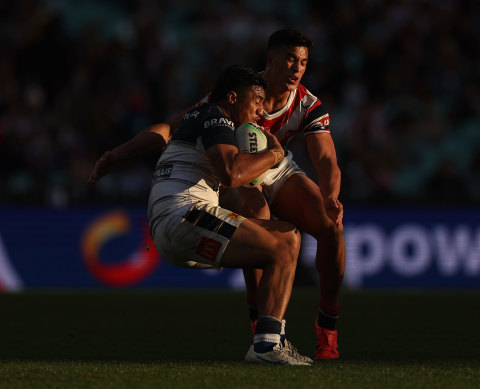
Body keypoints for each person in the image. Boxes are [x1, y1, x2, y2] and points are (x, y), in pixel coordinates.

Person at [89, 29, 345, 360]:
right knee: (263, 220)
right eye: (290, 59)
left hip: (263, 171)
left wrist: (330, 195)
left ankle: (327, 326)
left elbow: (326, 159)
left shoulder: (306, 104)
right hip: (229, 176)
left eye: (304, 63)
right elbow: (178, 134)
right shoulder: (229, 102)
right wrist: (117, 154)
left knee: (331, 227)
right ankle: (263, 331)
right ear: (270, 60)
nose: (297, 69)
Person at [139, 65, 311, 365]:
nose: (261, 110)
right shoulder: (216, 117)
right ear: (233, 97)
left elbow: (161, 138)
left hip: (170, 227)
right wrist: (274, 155)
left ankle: (269, 339)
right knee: (286, 240)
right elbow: (232, 174)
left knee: (275, 244)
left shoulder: (198, 119)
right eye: (256, 100)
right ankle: (267, 344)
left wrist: (112, 157)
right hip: (185, 215)